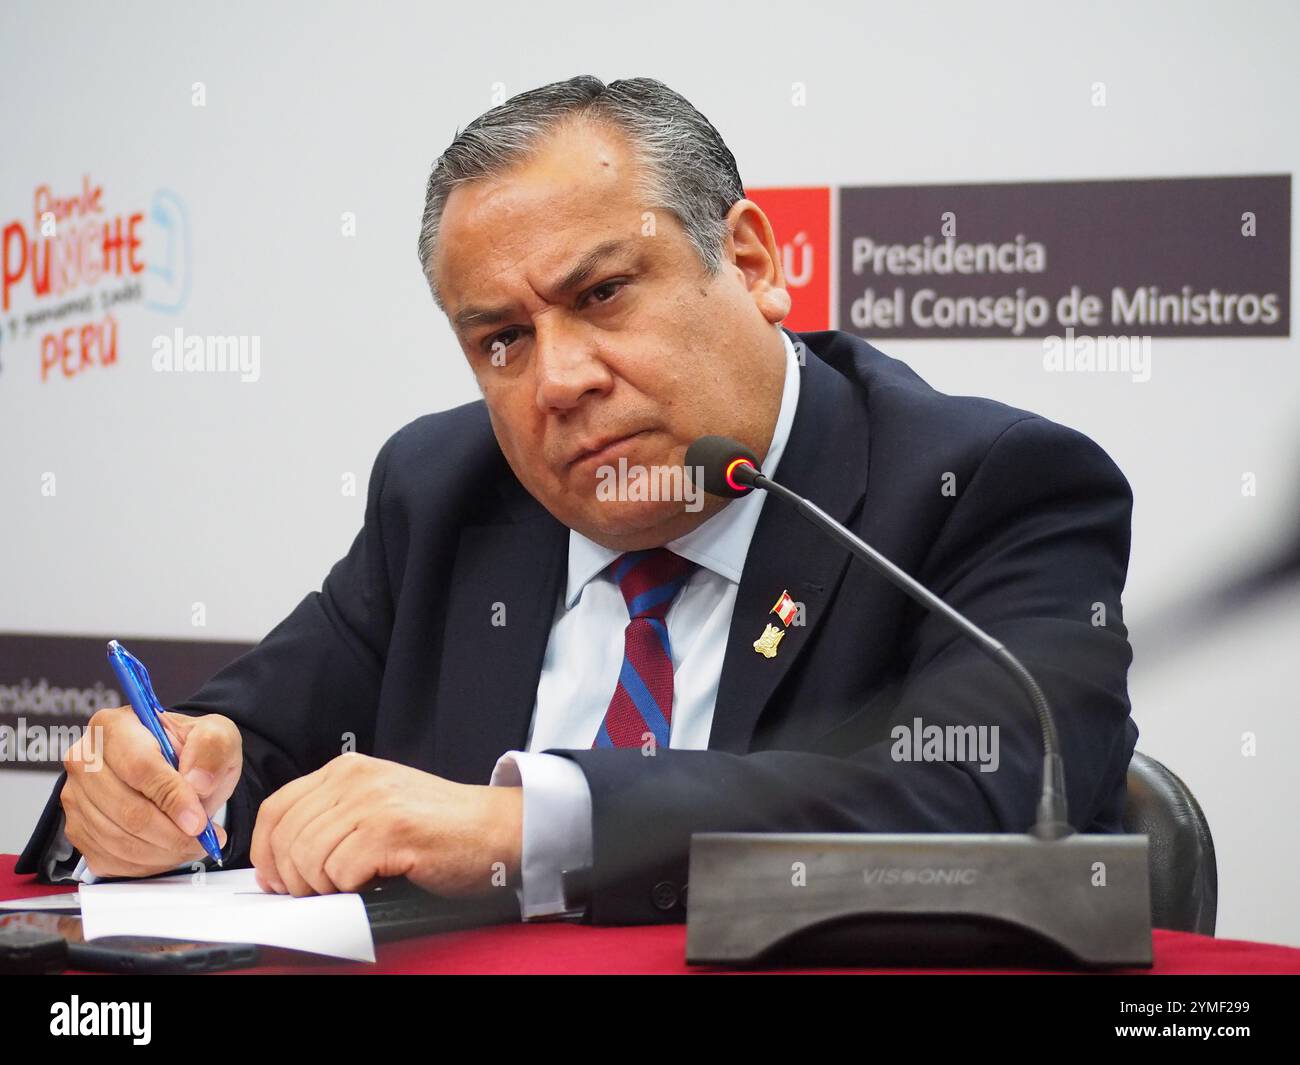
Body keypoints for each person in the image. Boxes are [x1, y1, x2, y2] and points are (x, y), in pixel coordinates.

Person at [18, 75, 1138, 925]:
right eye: (502, 340)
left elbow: (986, 799)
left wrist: (525, 826)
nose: (559, 381)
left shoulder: (981, 486)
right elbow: (235, 752)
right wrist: (145, 797)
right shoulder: (446, 493)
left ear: (749, 262)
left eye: (603, 295)